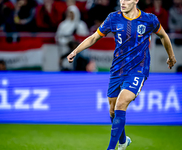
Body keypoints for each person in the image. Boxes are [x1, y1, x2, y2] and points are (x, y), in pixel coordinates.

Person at [67, 0, 176, 150]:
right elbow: (94, 37)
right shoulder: (113, 18)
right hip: (117, 70)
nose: (122, 2)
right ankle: (123, 141)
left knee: (121, 103)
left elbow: (163, 36)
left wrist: (171, 56)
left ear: (136, 0)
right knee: (113, 110)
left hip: (138, 69)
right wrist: (75, 51)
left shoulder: (149, 19)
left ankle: (111, 148)